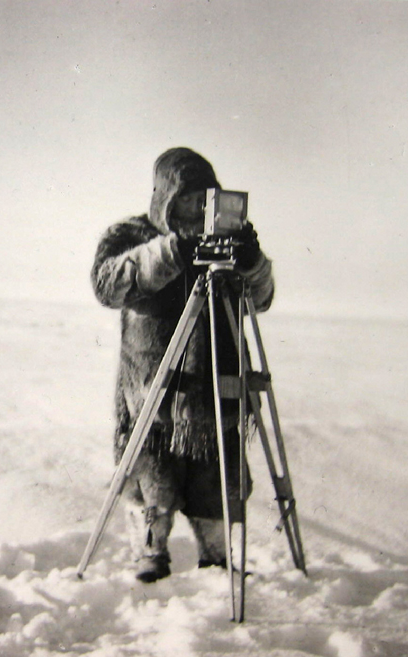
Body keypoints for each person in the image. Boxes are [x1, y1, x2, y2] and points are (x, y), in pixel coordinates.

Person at [90, 147, 274, 583]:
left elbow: (260, 300)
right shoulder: (131, 233)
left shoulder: (228, 236)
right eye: (188, 196)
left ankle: (217, 555)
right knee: (151, 470)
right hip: (153, 383)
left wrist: (251, 263)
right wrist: (171, 250)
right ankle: (150, 551)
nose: (197, 205)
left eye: (204, 196)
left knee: (218, 470)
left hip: (215, 379)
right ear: (167, 196)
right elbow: (106, 284)